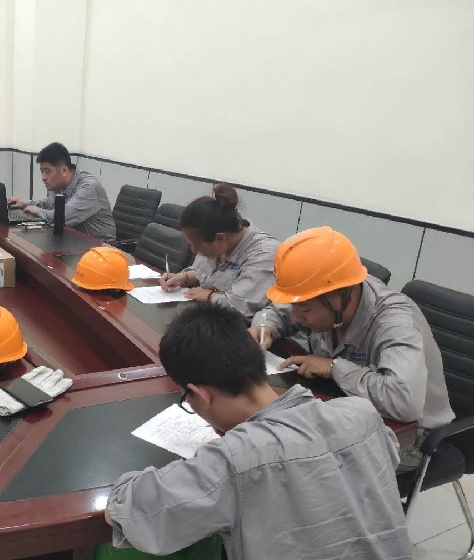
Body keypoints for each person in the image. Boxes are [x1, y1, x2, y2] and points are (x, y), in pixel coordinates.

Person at [105, 303, 412, 559]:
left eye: (188, 400)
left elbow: (129, 510)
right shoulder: (362, 413)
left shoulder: (233, 459)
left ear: (201, 393)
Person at [249, 226, 454, 471]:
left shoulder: (395, 322)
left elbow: (403, 402)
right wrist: (265, 326)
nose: (296, 316)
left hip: (406, 440)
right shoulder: (320, 295)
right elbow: (278, 310)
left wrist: (334, 367)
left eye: (304, 310)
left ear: (340, 297)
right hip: (346, 411)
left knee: (290, 467)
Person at [159, 184, 279, 321]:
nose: (194, 251)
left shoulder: (263, 254)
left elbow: (240, 308)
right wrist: (184, 277)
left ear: (220, 239)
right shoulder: (215, 243)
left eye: (197, 247)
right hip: (209, 318)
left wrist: (210, 296)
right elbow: (201, 272)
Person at [7, 142, 116, 244]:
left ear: (64, 170)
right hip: (73, 241)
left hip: (101, 248)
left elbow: (63, 217)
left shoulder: (88, 187)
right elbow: (49, 204)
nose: (43, 177)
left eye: (47, 172)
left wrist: (38, 211)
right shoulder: (57, 185)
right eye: (42, 172)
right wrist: (24, 204)